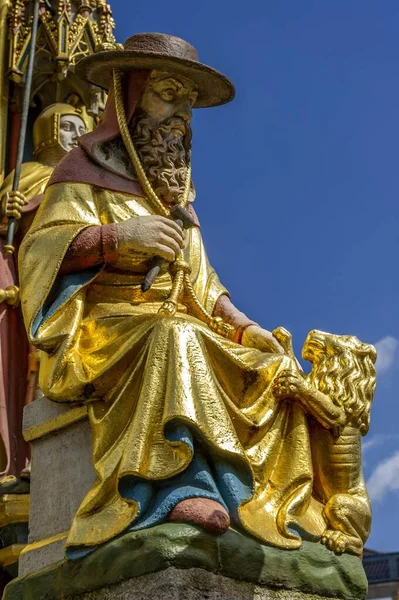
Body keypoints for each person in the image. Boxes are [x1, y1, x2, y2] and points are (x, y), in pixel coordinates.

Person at [19, 33, 344, 558]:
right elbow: (40, 254)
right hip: (104, 328)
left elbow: (203, 285)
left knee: (273, 367)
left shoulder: (176, 195)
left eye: (188, 104)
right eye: (168, 94)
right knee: (176, 336)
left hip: (176, 320)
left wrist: (246, 327)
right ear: (129, 98)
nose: (180, 116)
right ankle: (174, 487)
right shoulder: (78, 178)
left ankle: (268, 503)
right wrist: (116, 239)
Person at [0, 103, 91, 478]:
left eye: (81, 128)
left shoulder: (86, 179)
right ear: (46, 133)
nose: (77, 136)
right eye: (67, 127)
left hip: (72, 277)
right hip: (34, 279)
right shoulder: (29, 176)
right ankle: (30, 454)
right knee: (35, 362)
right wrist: (7, 209)